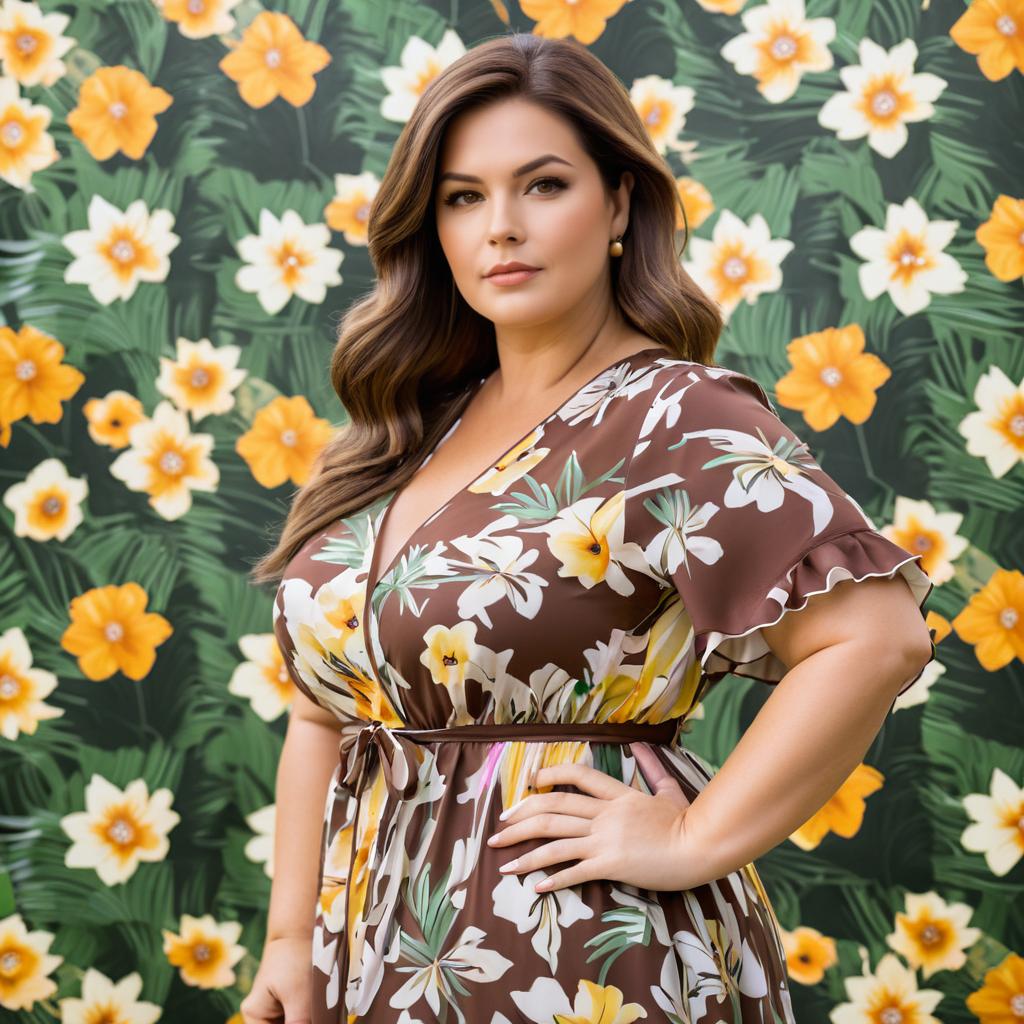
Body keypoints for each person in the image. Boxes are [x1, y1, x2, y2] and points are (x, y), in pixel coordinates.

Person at [242, 31, 935, 1024]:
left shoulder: (676, 416)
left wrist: (694, 839)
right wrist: (288, 944)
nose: (501, 228)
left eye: (544, 185)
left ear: (618, 203)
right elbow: (325, 710)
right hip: (380, 955)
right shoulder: (408, 429)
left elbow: (874, 637)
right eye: (463, 196)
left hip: (586, 956)